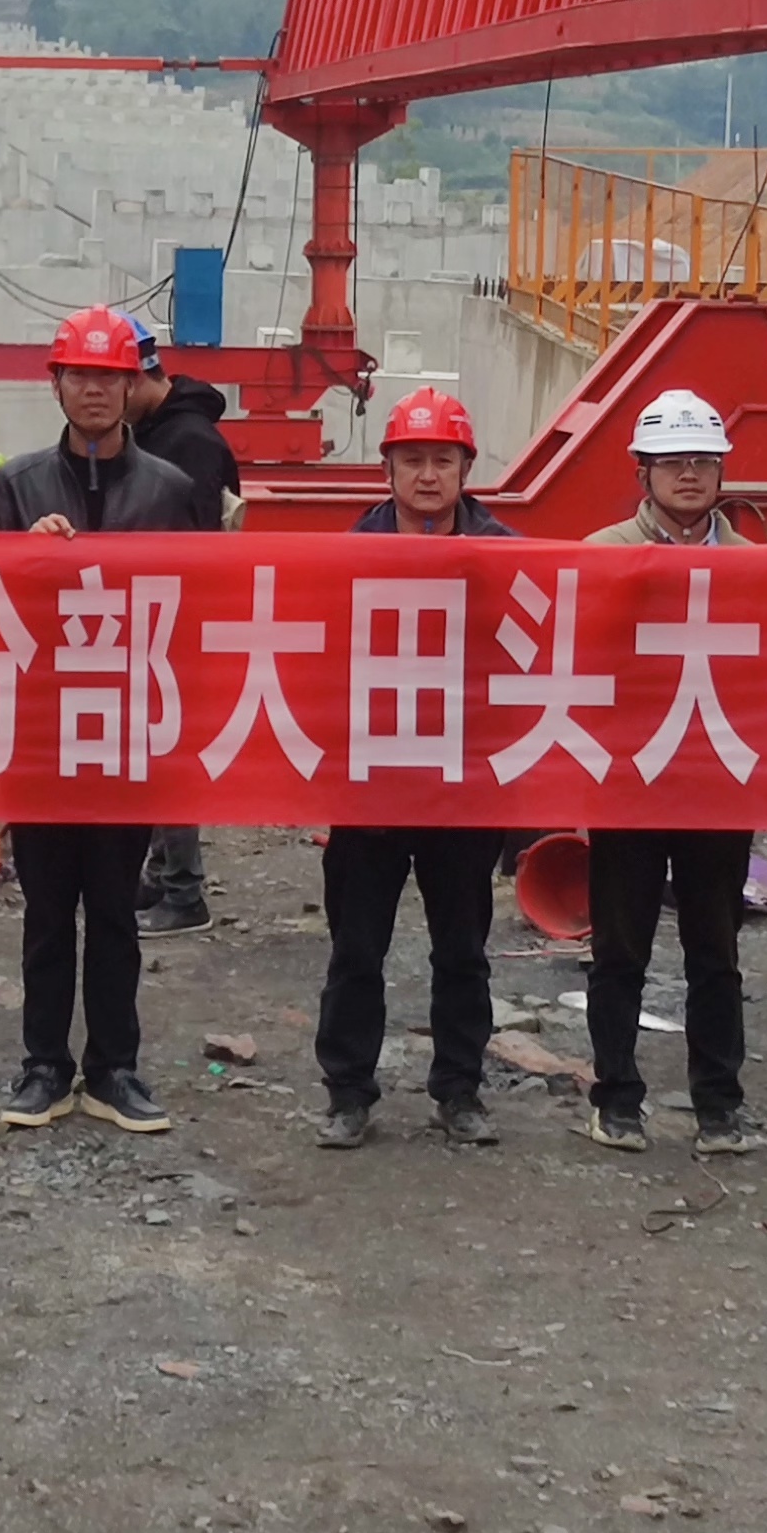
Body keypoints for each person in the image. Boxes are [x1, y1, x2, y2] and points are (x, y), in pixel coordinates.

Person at [0, 303, 219, 1134]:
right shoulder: (17, 488)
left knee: (115, 911)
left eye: (108, 377)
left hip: (126, 730)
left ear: (131, 386)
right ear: (56, 384)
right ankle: (44, 1065)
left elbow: (196, 610)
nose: (93, 390)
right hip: (43, 731)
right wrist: (27, 562)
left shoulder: (170, 491)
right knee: (48, 911)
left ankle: (114, 1066)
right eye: (79, 375)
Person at [315, 386, 515, 1149]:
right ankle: (348, 1093)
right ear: (388, 470)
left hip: (462, 787)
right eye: (413, 460)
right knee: (355, 949)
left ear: (466, 469)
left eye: (442, 460)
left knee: (462, 951)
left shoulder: (506, 557)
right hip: (370, 782)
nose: (428, 476)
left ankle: (459, 1091)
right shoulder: (346, 558)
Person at [574, 388, 763, 1154]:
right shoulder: (601, 555)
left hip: (717, 785)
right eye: (673, 462)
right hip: (629, 784)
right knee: (620, 951)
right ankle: (616, 1099)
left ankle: (719, 1107)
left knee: (715, 952)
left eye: (704, 462)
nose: (690, 474)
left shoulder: (756, 568)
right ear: (643, 471)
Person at [123, 325, 244, 935]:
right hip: (157, 615)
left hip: (179, 619)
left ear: (140, 379)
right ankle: (161, 871)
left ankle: (183, 889)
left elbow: (188, 543)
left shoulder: (188, 443)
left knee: (168, 752)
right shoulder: (156, 433)